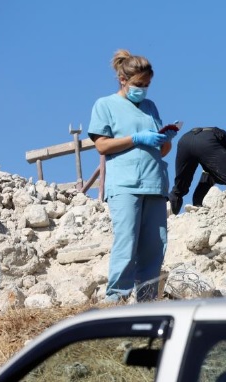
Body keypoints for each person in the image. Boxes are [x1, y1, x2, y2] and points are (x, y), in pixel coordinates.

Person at [87, 49, 177, 302]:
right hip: (125, 184)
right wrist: (136, 138)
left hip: (155, 183)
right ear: (122, 79)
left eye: (147, 85)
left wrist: (165, 139)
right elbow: (102, 146)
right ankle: (116, 298)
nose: (143, 89)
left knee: (155, 247)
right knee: (126, 242)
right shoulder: (105, 105)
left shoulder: (150, 107)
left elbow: (162, 151)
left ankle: (147, 301)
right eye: (139, 84)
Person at [168, 127, 226, 214]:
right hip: (208, 140)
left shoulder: (221, 160)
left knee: (179, 188)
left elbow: (206, 179)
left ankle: (164, 214)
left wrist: (198, 202)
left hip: (185, 139)